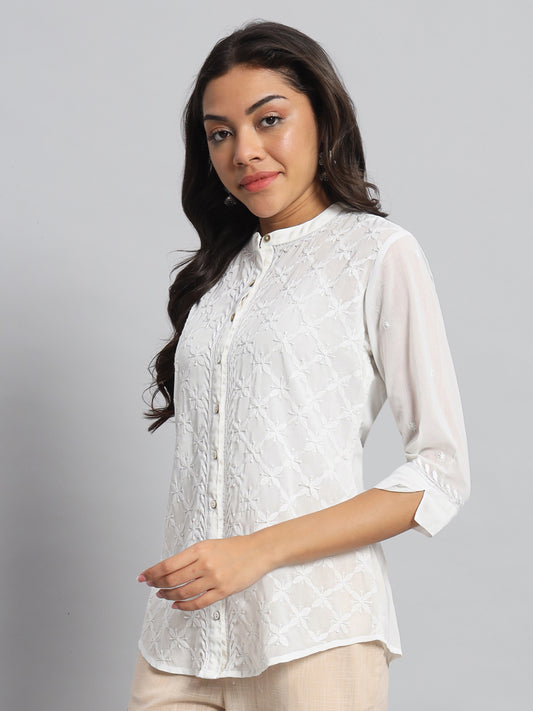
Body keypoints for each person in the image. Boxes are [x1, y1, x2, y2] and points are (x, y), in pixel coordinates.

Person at [127, 19, 470, 711]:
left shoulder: (377, 253)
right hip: (185, 636)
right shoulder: (214, 276)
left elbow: (440, 473)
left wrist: (256, 550)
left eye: (269, 120)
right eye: (219, 133)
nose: (244, 151)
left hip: (314, 631)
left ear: (323, 119)